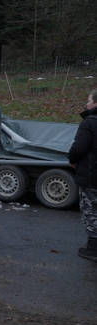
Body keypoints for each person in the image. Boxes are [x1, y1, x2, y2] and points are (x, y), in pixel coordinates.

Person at [68, 89, 97, 262]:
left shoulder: (90, 122)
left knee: (91, 210)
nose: (86, 104)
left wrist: (72, 159)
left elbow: (79, 148)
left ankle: (93, 247)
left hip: (91, 175)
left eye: (88, 100)